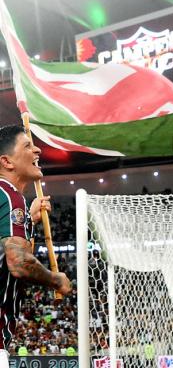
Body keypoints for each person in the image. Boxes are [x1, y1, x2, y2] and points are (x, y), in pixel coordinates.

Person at [0, 125, 72, 367]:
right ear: (7, 162)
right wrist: (56, 279)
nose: (38, 149)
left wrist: (28, 221)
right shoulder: (8, 195)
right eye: (28, 146)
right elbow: (18, 263)